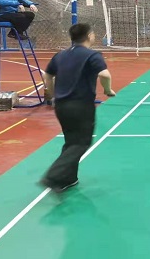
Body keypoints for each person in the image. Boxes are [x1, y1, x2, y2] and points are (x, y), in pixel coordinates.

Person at [40, 23, 116, 193]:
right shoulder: (92, 55)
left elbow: (48, 75)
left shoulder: (60, 55)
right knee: (81, 143)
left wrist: (52, 95)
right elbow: (104, 74)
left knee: (71, 141)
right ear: (89, 36)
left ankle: (69, 179)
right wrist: (107, 90)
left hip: (61, 106)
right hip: (81, 106)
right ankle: (53, 176)